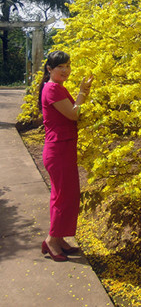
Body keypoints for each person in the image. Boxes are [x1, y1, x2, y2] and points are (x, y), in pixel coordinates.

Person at [38, 50, 93, 262]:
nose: (66, 70)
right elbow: (73, 114)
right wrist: (82, 93)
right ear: (49, 69)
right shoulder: (52, 89)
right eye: (60, 67)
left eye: (68, 66)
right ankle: (52, 239)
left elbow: (72, 113)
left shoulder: (57, 87)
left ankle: (58, 238)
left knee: (65, 195)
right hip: (58, 149)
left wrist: (82, 92)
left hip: (64, 148)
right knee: (64, 196)